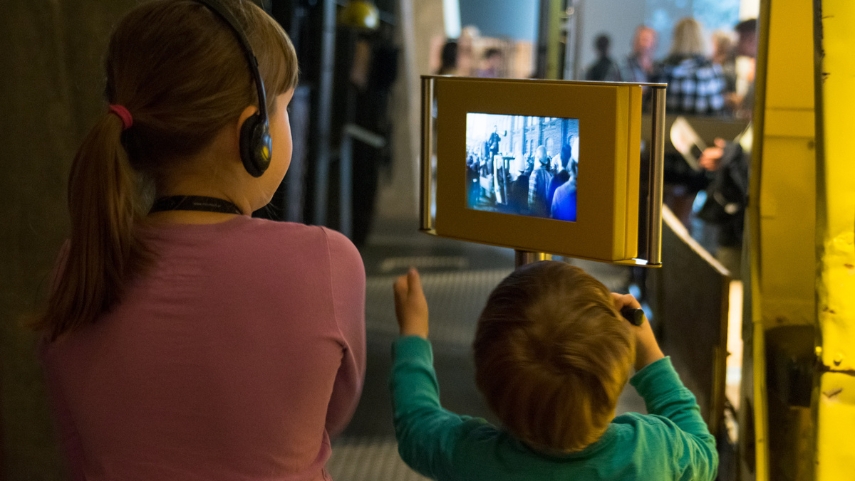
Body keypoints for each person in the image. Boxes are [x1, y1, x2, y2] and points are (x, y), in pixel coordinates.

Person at [34, 1, 366, 479]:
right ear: (254, 133)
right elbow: (326, 416)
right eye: (285, 107)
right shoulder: (328, 262)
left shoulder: (81, 263)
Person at [390, 262, 718, 481]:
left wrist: (413, 334)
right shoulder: (653, 451)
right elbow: (705, 452)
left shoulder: (471, 457)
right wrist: (649, 352)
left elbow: (415, 424)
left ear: (488, 382)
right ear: (615, 373)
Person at [652, 17, 725, 115]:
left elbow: (654, 108)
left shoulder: (663, 69)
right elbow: (716, 110)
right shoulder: (711, 70)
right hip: (703, 129)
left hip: (667, 127)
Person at [527, 145, 553, 217]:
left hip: (536, 213)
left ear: (537, 158)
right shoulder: (550, 174)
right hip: (546, 213)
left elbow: (531, 200)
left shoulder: (535, 174)